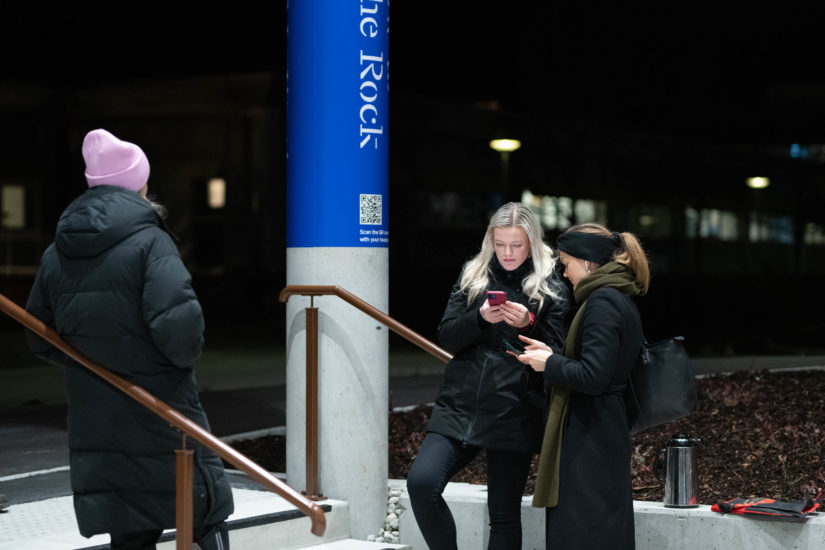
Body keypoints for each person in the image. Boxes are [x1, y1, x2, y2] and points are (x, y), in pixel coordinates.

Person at [25, 128, 234, 550]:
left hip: (98, 414)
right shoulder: (149, 242)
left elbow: (39, 334)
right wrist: (166, 364)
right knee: (202, 511)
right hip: (162, 405)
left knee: (129, 521)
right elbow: (181, 333)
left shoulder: (57, 251)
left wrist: (88, 362)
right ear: (137, 183)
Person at [406, 202, 570, 550]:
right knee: (421, 484)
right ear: (490, 241)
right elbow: (447, 337)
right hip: (459, 404)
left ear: (531, 243)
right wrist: (480, 317)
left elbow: (556, 351)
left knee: (504, 515)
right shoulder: (473, 275)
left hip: (515, 407)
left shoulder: (550, 283)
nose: (507, 253)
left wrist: (529, 322)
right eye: (500, 244)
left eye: (517, 245)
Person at [513, 222, 650, 550]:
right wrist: (551, 356)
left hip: (592, 438)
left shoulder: (603, 302)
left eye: (566, 263)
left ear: (588, 262)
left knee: (585, 531)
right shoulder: (616, 297)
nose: (564, 273)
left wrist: (550, 364)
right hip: (601, 431)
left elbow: (594, 376)